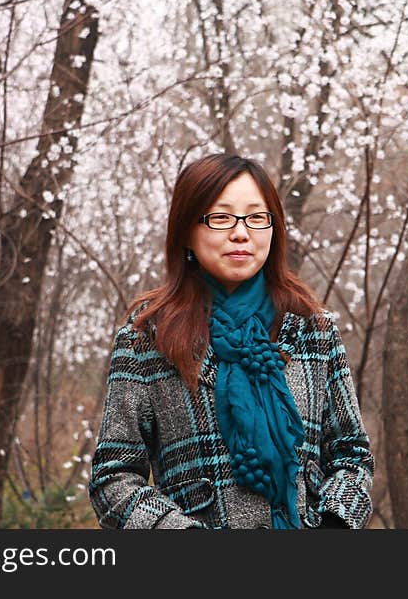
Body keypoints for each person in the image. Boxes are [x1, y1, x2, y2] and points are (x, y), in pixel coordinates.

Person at [88, 153, 374, 529]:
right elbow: (113, 477)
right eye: (221, 218)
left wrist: (335, 525)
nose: (241, 233)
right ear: (187, 230)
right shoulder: (148, 336)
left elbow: (351, 454)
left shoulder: (310, 327)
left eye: (257, 217)